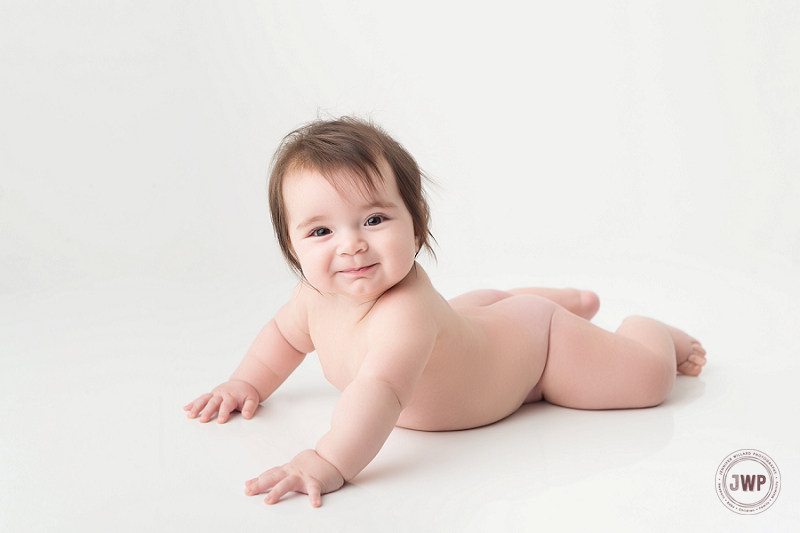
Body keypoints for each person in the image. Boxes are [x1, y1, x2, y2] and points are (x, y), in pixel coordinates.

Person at [184, 117, 706, 507]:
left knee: (649, 382)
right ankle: (562, 299)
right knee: (471, 319)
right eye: (321, 231)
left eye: (373, 219)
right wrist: (246, 382)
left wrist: (327, 459)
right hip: (476, 330)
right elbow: (283, 335)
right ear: (292, 245)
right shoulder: (315, 297)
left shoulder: (405, 314)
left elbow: (382, 391)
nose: (350, 246)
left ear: (416, 224)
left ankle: (645, 330)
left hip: (537, 354)